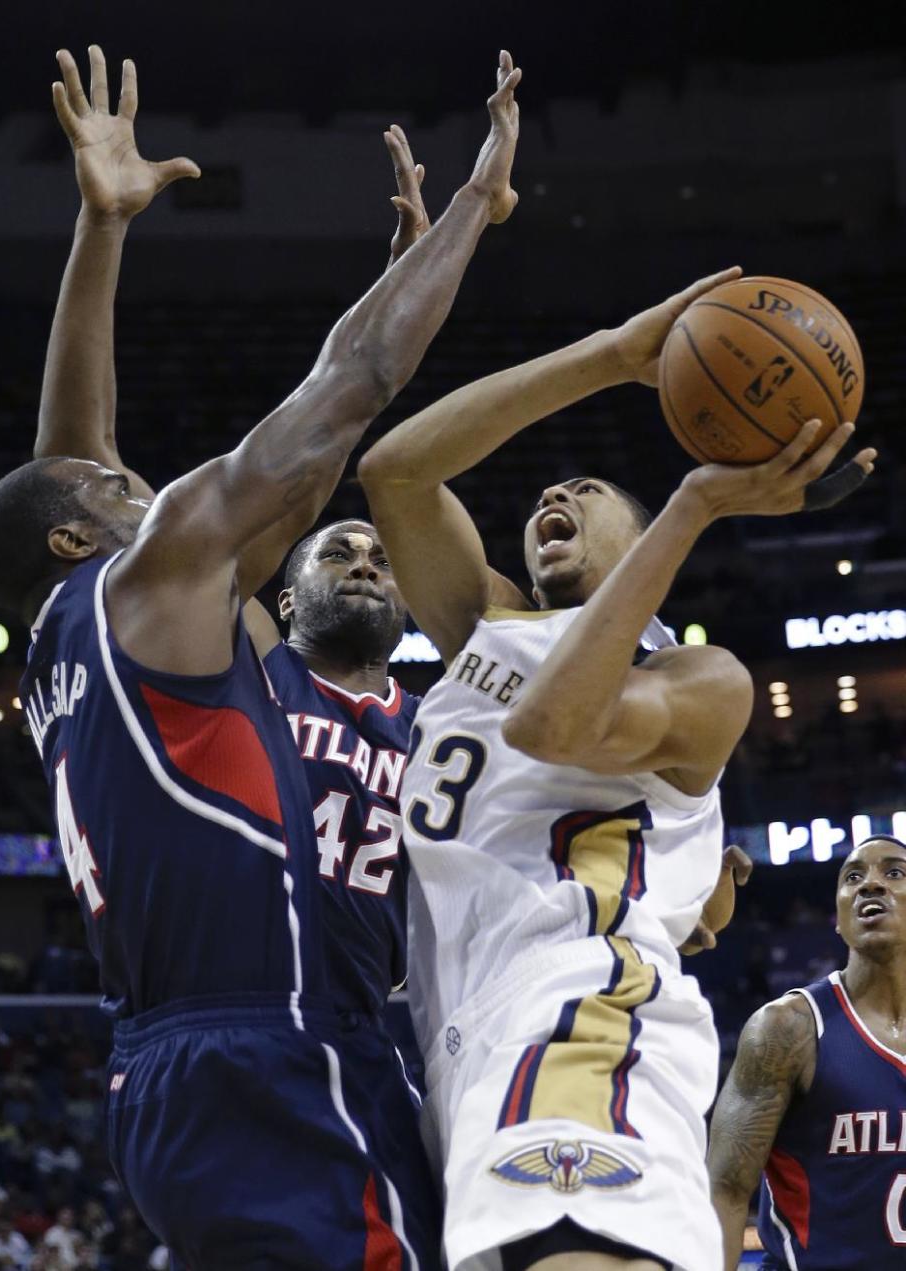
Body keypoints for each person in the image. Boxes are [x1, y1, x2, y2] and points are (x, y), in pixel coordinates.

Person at [0, 43, 521, 1270]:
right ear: (82, 532)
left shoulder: (70, 635)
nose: (143, 479)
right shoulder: (147, 578)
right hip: (273, 1044)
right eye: (123, 486)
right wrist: (472, 214)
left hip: (167, 1073)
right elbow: (350, 386)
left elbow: (66, 453)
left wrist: (102, 226)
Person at [359, 285, 875, 1270]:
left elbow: (554, 723)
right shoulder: (491, 626)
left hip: (582, 1011)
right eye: (548, 493)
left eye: (588, 493)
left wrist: (693, 501)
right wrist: (609, 352)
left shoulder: (696, 679)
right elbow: (395, 470)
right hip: (474, 1030)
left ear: (647, 548)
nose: (555, 497)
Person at [709, 834, 906, 1270]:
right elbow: (724, 1190)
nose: (869, 885)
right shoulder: (787, 1029)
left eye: (894, 872)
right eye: (852, 877)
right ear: (837, 918)